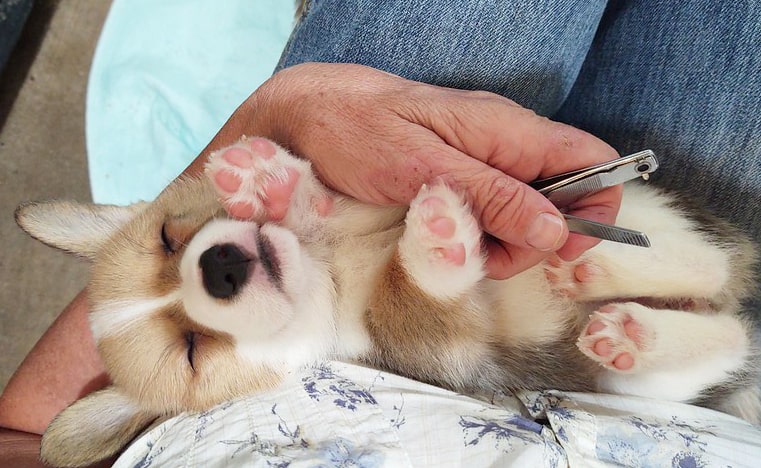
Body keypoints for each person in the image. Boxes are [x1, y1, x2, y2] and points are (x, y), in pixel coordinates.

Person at [1, 0, 759, 463]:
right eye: (191, 344)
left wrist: (280, 125)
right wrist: (425, 273)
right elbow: (431, 340)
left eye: (169, 246)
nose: (203, 276)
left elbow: (22, 441)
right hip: (660, 391)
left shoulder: (291, 291)